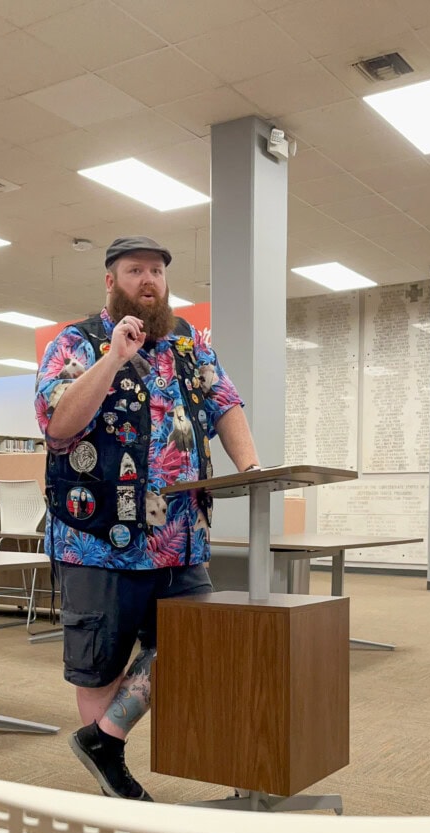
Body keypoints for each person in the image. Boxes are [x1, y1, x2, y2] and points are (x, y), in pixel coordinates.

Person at [35, 235, 260, 801]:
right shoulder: (76, 342)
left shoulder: (189, 346)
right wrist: (113, 355)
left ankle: (103, 739)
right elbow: (59, 424)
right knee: (101, 666)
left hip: (180, 538)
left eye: (157, 271)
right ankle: (111, 784)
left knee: (196, 644)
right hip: (95, 538)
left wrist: (252, 466)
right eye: (135, 270)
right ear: (111, 281)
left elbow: (224, 401)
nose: (149, 280)